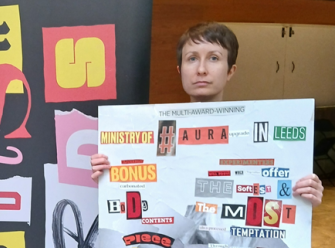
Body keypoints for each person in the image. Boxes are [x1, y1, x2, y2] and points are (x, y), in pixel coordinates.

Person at [91, 22, 323, 205]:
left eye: (213, 58)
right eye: (192, 59)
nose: (201, 69)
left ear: (231, 71)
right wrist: (107, 170)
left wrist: (304, 195)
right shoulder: (156, 131)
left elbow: (271, 193)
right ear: (180, 70)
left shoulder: (256, 137)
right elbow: (146, 190)